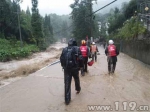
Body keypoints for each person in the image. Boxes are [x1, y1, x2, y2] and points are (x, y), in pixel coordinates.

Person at [60, 38, 81, 105]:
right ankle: (78, 89)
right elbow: (81, 59)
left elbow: (61, 59)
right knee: (76, 79)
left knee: (67, 83)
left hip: (67, 69)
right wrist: (80, 66)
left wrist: (63, 66)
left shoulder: (64, 49)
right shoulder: (77, 48)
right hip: (75, 68)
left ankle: (67, 100)